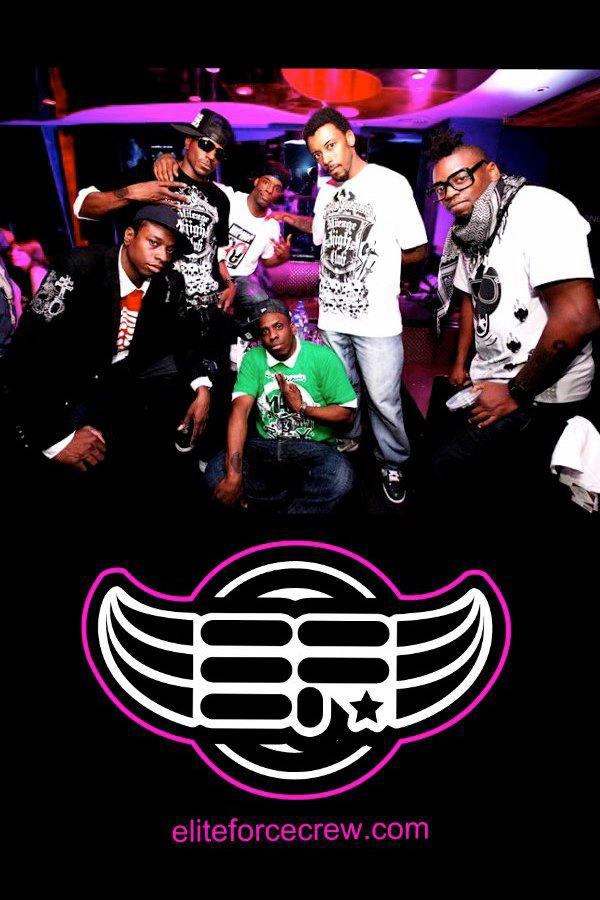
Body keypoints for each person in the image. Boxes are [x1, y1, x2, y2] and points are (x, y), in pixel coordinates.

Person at [426, 127, 600, 510]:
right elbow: (471, 299)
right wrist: (460, 363)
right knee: (470, 477)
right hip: (491, 379)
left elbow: (578, 316)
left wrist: (515, 392)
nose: (449, 193)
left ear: (491, 171)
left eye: (460, 179)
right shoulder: (469, 231)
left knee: (461, 473)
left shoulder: (539, 209)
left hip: (541, 392)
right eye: (440, 188)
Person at [3, 205, 214, 494]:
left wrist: (201, 386)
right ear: (129, 236)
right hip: (64, 387)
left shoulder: (169, 281)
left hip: (118, 382)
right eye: (153, 243)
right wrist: (54, 441)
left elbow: (182, 336)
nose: (163, 256)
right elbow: (26, 353)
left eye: (169, 249)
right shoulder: (78, 268)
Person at [73, 109, 239, 453]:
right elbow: (83, 206)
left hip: (205, 314)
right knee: (158, 401)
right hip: (160, 313)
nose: (211, 156)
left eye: (220, 152)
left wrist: (229, 283)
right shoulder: (153, 175)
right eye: (206, 145)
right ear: (188, 141)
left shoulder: (220, 199)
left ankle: (201, 457)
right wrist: (133, 192)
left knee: (212, 396)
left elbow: (216, 252)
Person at [303, 108, 428, 504]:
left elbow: (418, 249)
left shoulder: (391, 183)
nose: (326, 159)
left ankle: (393, 461)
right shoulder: (325, 192)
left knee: (384, 400)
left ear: (350, 138)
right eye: (317, 154)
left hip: (376, 320)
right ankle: (350, 439)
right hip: (332, 315)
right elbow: (323, 244)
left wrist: (382, 266)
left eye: (330, 146)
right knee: (343, 391)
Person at [205, 299, 357, 514]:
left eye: (278, 327)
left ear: (292, 328)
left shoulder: (322, 357)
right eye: (265, 331)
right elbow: (240, 411)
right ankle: (293, 503)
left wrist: (303, 408)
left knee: (341, 478)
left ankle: (270, 505)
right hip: (265, 446)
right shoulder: (254, 358)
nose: (272, 336)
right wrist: (234, 476)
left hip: (313, 447)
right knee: (215, 473)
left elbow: (346, 415)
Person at [153, 153, 293, 326]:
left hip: (239, 278)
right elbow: (193, 178)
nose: (269, 190)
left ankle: (239, 336)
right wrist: (168, 158)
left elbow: (267, 261)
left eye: (277, 188)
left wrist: (282, 257)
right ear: (256, 181)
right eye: (266, 182)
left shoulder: (272, 225)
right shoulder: (227, 196)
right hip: (210, 267)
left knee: (260, 303)